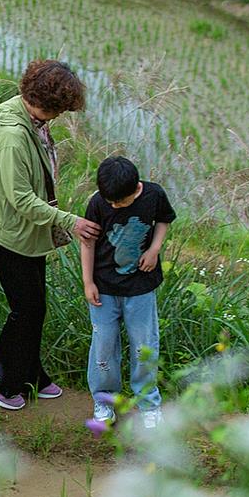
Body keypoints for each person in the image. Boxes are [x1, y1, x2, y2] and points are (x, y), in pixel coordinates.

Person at [0, 59, 100, 410]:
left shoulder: (29, 118)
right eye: (60, 109)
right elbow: (21, 199)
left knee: (34, 307)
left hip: (22, 230)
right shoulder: (14, 136)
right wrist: (71, 221)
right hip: (8, 232)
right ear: (49, 103)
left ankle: (31, 374)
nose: (60, 116)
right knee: (26, 309)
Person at [81, 155, 176, 428]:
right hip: (103, 289)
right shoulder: (98, 203)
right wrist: (88, 282)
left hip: (141, 287)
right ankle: (104, 400)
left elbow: (164, 220)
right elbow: (87, 243)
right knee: (103, 345)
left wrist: (154, 249)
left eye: (119, 202)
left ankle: (148, 403)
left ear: (136, 189)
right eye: (109, 201)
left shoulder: (154, 194)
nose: (113, 206)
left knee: (144, 346)